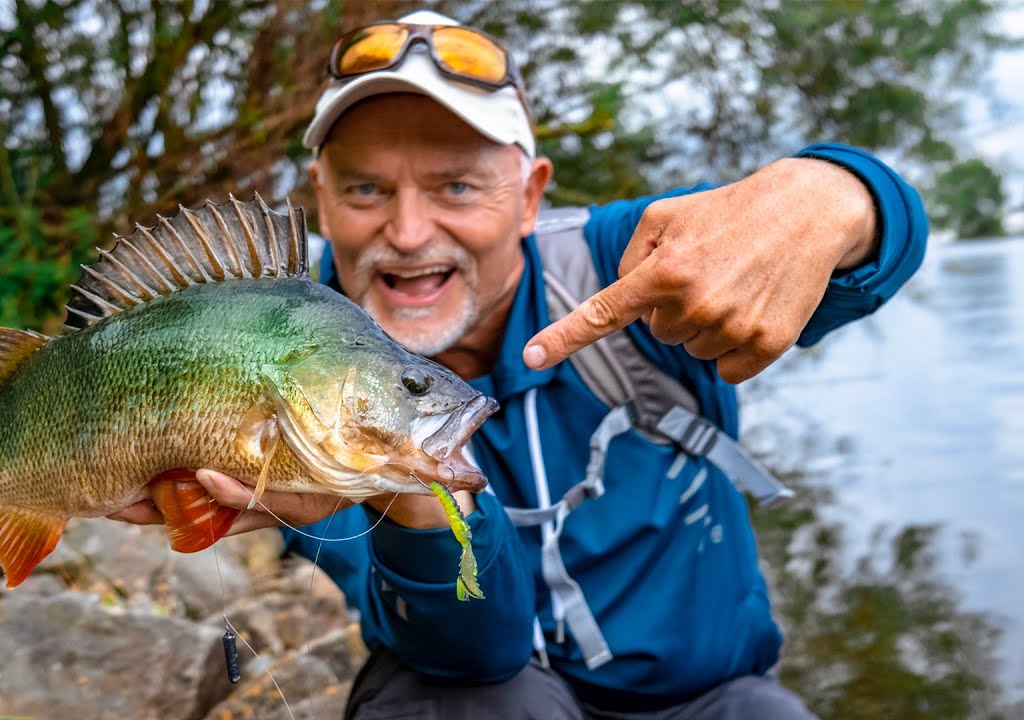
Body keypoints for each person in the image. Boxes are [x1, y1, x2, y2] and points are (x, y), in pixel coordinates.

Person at [112, 10, 927, 719]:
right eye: (364, 190)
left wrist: (825, 197)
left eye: (458, 186)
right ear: (319, 197)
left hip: (702, 697)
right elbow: (472, 654)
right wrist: (418, 513)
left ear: (530, 195)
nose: (407, 230)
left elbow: (878, 243)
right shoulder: (278, 351)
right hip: (471, 686)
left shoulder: (627, 263)